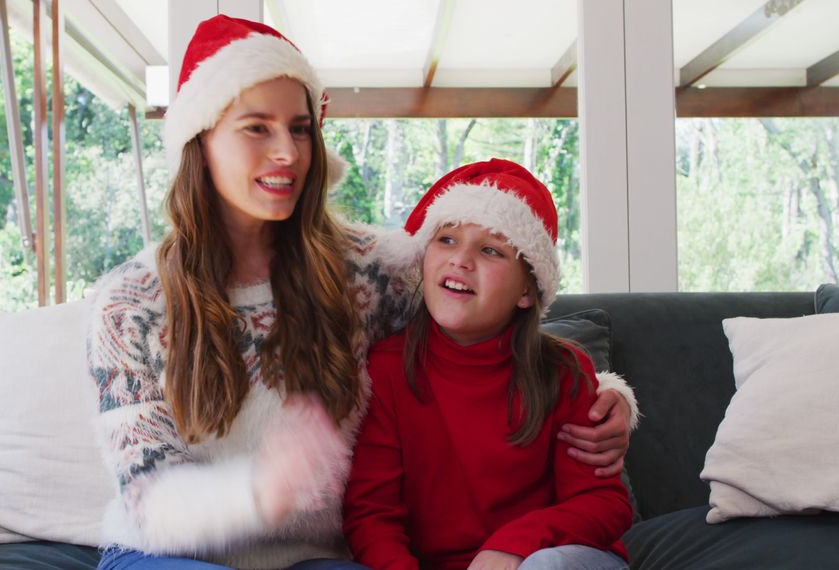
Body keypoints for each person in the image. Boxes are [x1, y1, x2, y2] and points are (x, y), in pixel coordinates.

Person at [86, 15, 636, 570]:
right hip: (164, 554)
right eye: (257, 127)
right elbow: (148, 500)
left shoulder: (371, 271)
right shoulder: (129, 304)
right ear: (199, 138)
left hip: (314, 558)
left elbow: (481, 331)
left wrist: (606, 398)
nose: (288, 152)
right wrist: (259, 491)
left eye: (300, 128)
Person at [342, 159, 634, 570]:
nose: (461, 259)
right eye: (446, 239)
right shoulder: (388, 368)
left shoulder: (563, 370)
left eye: (491, 250)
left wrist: (513, 547)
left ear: (528, 291)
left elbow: (605, 504)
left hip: (547, 556)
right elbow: (372, 516)